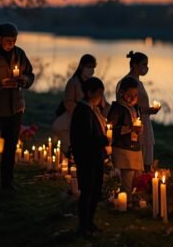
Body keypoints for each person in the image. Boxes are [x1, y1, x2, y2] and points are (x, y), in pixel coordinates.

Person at [0, 23, 34, 189]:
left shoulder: (19, 54)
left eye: (13, 41)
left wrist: (25, 80)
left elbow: (30, 73)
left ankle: (7, 182)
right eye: (7, 40)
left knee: (10, 148)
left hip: (15, 108)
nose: (10, 44)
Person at [70, 77, 110, 236]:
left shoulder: (92, 109)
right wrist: (103, 139)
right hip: (87, 158)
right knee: (87, 192)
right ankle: (83, 227)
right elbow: (84, 137)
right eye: (99, 93)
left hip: (97, 156)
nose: (101, 97)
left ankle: (90, 222)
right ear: (89, 92)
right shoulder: (82, 111)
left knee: (96, 191)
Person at [119, 51, 159, 172]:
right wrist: (148, 110)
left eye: (147, 65)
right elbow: (126, 107)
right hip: (137, 125)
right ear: (135, 65)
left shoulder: (137, 81)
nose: (146, 68)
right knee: (140, 162)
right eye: (144, 64)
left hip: (144, 123)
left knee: (147, 160)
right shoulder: (128, 82)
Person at [53, 54, 101, 153]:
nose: (91, 70)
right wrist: (80, 113)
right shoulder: (73, 82)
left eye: (93, 67)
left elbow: (101, 100)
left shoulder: (94, 82)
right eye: (89, 67)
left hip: (93, 113)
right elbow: (68, 101)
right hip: (75, 113)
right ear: (82, 67)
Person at [107, 76, 143, 205]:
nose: (133, 98)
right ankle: (124, 202)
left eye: (136, 95)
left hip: (135, 146)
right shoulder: (117, 108)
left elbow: (137, 123)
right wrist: (129, 128)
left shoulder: (135, 108)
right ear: (121, 93)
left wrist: (139, 129)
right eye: (129, 95)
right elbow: (111, 128)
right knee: (127, 178)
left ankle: (131, 199)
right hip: (123, 147)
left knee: (137, 177)